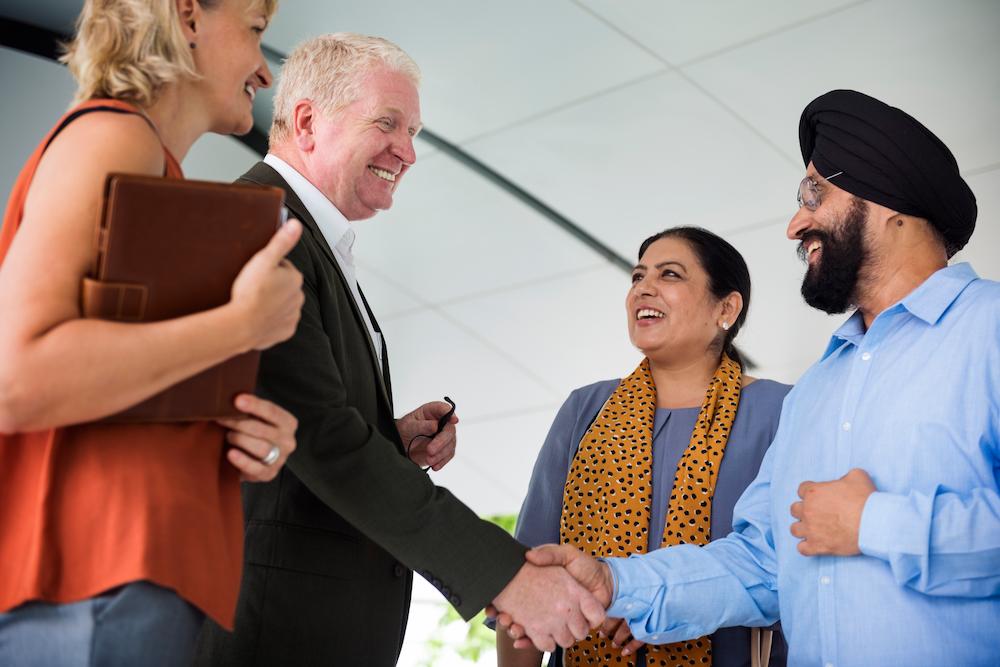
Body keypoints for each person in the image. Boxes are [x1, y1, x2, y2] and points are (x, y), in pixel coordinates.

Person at [501, 89, 1000, 666]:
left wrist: (876, 523)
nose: (795, 224)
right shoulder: (820, 386)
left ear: (890, 206)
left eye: (816, 195)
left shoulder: (986, 330)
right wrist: (614, 583)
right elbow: (762, 563)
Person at [193, 32, 604, 666]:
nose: (407, 152)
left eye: (413, 131)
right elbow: (324, 441)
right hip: (273, 634)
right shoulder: (258, 224)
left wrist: (387, 437)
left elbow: (307, 420)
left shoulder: (305, 237)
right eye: (387, 123)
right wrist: (505, 575)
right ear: (307, 121)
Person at [0, 0, 306, 665]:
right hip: (94, 583)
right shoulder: (115, 135)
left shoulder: (154, 172)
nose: (263, 70)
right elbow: (18, 376)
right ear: (188, 16)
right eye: (255, 31)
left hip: (121, 581)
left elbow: (107, 385)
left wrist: (232, 431)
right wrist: (239, 325)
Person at [497, 227, 790, 667]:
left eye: (669, 275)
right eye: (637, 277)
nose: (644, 289)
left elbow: (793, 572)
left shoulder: (779, 410)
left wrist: (657, 603)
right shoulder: (587, 409)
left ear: (726, 307)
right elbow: (529, 571)